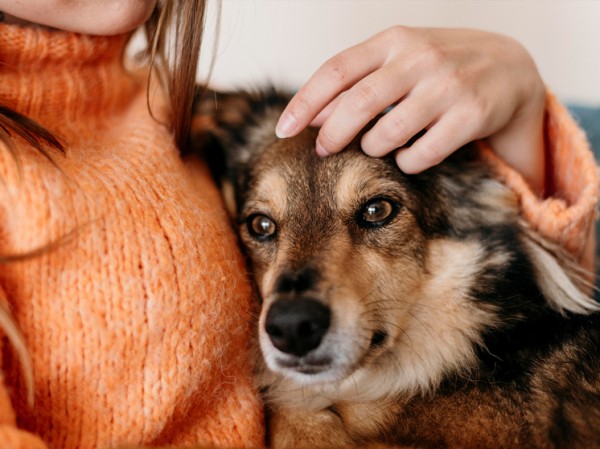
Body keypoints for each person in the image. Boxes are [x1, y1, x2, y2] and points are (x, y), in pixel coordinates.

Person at [0, 2, 596, 449]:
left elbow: (540, 287)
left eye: (375, 212)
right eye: (262, 225)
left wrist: (520, 105)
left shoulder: (192, 117)